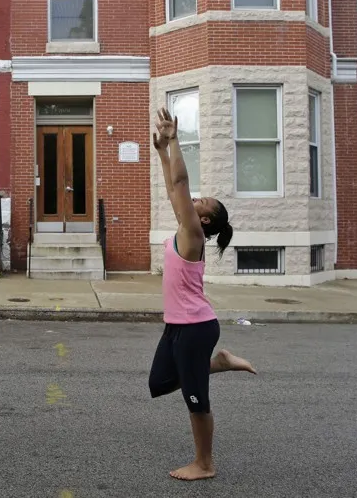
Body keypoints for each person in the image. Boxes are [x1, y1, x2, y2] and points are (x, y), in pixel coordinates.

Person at [148, 107, 257, 481]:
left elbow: (179, 185)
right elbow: (173, 188)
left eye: (201, 202)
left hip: (196, 328)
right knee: (159, 383)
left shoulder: (193, 234)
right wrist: (162, 151)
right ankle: (219, 362)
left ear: (205, 221)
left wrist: (174, 140)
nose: (193, 201)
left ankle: (205, 463)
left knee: (196, 400)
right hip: (177, 325)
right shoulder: (186, 229)